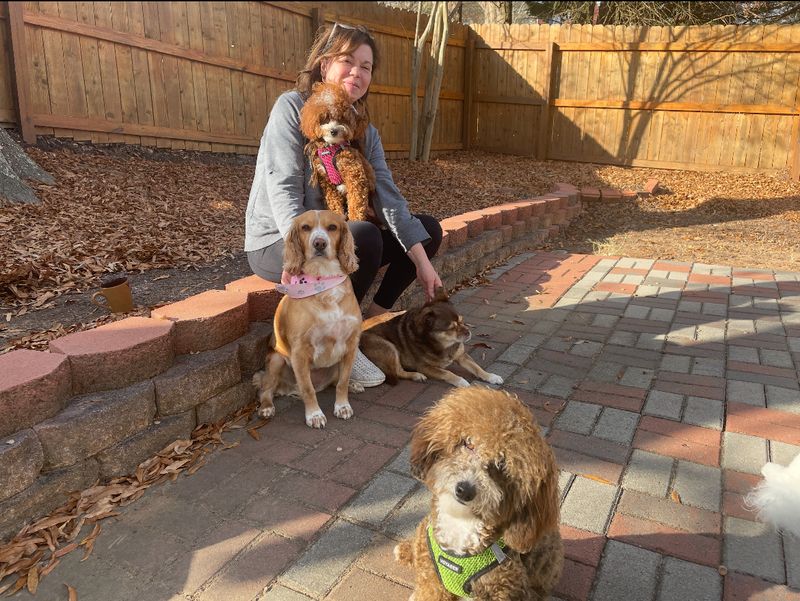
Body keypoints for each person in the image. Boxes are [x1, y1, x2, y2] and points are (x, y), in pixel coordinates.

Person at [245, 22, 443, 388]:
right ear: (325, 66)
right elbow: (283, 185)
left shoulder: (366, 131)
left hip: (334, 239)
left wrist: (423, 263)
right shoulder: (292, 107)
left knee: (426, 231)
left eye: (366, 66)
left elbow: (388, 197)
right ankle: (333, 348)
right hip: (278, 241)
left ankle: (362, 329)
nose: (357, 72)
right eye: (347, 61)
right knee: (363, 235)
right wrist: (295, 254)